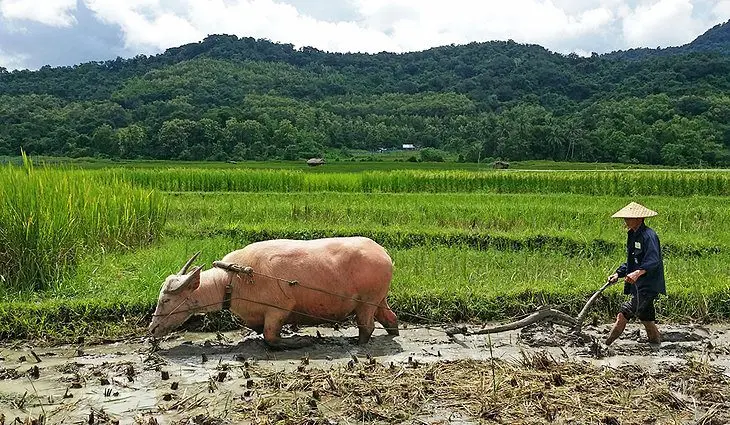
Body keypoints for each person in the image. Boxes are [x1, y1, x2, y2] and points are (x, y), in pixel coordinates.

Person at [605, 202, 666, 346]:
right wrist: (618, 274)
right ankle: (656, 348)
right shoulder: (632, 235)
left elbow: (653, 260)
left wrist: (637, 273)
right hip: (639, 285)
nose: (625, 221)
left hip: (648, 285)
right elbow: (632, 261)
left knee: (623, 314)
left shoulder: (649, 236)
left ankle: (604, 346)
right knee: (647, 320)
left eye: (628, 218)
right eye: (625, 218)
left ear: (639, 219)